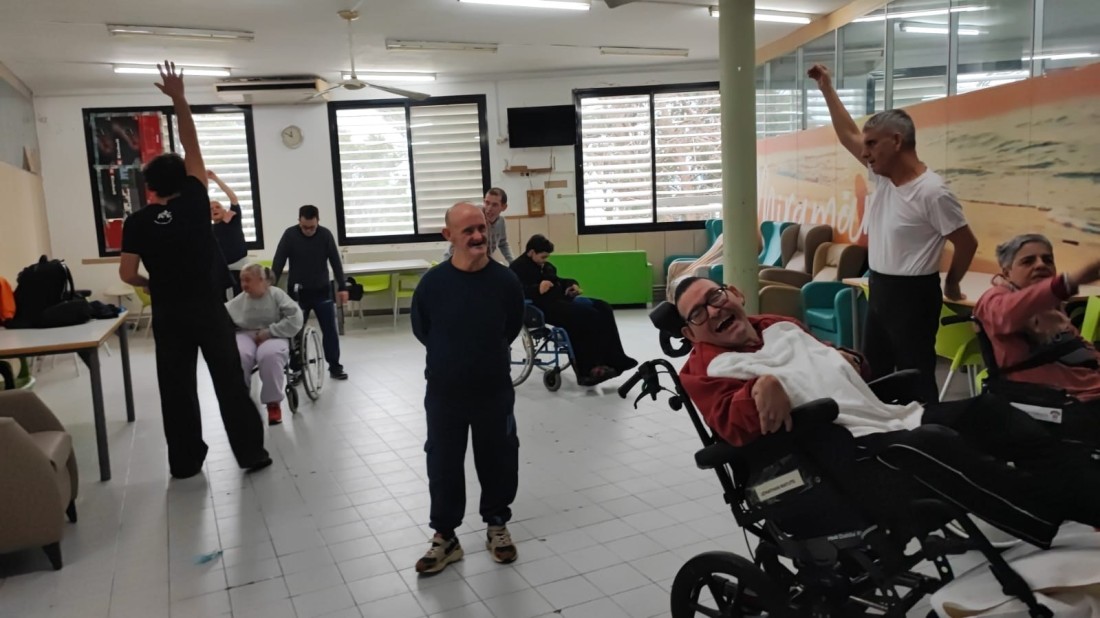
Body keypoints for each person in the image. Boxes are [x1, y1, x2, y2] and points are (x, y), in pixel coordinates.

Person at [672, 276, 1100, 548]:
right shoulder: (706, 369)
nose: (714, 310)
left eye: (715, 296)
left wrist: (851, 358)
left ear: (734, 293)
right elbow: (732, 423)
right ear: (691, 333)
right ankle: (1051, 518)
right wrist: (759, 388)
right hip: (841, 456)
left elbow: (844, 368)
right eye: (698, 313)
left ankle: (1088, 496)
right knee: (935, 444)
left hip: (884, 417)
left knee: (989, 412)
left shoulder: (779, 325)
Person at [118, 61, 271, 479]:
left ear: (150, 188)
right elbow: (191, 143)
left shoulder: (137, 222)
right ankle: (251, 454)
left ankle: (185, 463)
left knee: (176, 388)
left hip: (169, 314)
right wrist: (179, 99)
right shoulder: (194, 200)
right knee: (229, 382)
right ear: (184, 179)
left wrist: (151, 284)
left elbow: (127, 274)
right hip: (207, 309)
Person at [809, 63, 979, 403]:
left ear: (897, 141)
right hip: (880, 286)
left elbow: (966, 243)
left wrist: (952, 283)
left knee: (915, 376)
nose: (865, 153)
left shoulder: (932, 192)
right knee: (876, 372)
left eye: (872, 144)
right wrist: (826, 88)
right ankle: (884, 429)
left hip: (913, 295)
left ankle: (927, 429)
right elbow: (848, 135)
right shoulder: (883, 177)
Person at [410, 202, 525, 574]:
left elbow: (511, 327)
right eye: (468, 231)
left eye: (482, 228)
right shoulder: (433, 284)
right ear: (449, 236)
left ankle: (497, 525)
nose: (478, 236)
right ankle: (446, 537)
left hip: (493, 389)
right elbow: (422, 329)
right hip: (445, 392)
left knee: (499, 457)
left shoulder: (506, 282)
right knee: (443, 462)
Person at [972, 233, 1100, 443]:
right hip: (1062, 404)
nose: (1040, 265)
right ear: (1007, 272)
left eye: (1047, 260)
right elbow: (1007, 313)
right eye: (1028, 261)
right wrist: (1067, 283)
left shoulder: (1050, 305)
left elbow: (1080, 347)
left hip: (1088, 390)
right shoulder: (994, 300)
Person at [510, 234, 637, 385]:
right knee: (587, 315)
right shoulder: (517, 268)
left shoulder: (545, 266)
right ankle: (588, 369)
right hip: (542, 307)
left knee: (604, 307)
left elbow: (558, 280)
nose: (545, 260)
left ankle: (616, 358)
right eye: (542, 257)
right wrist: (537, 288)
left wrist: (571, 285)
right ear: (531, 252)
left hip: (560, 300)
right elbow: (516, 292)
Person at [272, 205, 349, 380]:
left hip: (322, 291)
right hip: (298, 293)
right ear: (299, 221)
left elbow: (336, 262)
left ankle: (335, 366)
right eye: (305, 227)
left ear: (318, 221)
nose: (308, 231)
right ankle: (297, 369)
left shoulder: (325, 235)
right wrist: (270, 286)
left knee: (330, 331)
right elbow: (278, 261)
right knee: (295, 331)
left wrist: (343, 287)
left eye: (312, 227)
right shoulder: (290, 235)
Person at [226, 263, 304, 426]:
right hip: (245, 333)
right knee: (239, 355)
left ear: (261, 280)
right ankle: (242, 402)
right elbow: (224, 314)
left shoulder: (276, 295)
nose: (243, 285)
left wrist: (271, 331)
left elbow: (295, 318)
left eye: (248, 280)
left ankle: (273, 404)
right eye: (242, 280)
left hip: (274, 333)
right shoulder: (241, 299)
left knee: (269, 356)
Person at [442, 188, 513, 263]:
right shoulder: (475, 216)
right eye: (487, 203)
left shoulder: (501, 222)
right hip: (459, 260)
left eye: (494, 205)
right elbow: (454, 245)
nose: (489, 208)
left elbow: (503, 243)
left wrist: (512, 262)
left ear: (503, 207)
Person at [207, 170, 248, 295]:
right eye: (211, 209)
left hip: (241, 267)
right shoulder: (209, 230)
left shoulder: (233, 219)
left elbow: (233, 198)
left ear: (225, 211)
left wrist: (215, 179)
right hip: (223, 271)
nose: (214, 209)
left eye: (217, 207)